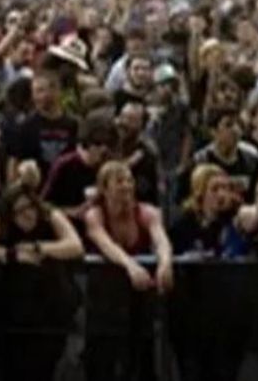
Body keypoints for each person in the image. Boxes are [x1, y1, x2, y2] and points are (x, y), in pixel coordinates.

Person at [0, 181, 84, 381]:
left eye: (29, 207)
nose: (27, 214)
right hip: (11, 310)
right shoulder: (1, 222)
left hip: (49, 307)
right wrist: (10, 254)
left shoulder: (50, 215)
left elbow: (75, 245)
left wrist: (40, 248)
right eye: (19, 210)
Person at [84, 160, 173, 381]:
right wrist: (130, 266)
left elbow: (161, 240)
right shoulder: (95, 215)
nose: (126, 186)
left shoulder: (147, 212)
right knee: (102, 359)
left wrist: (165, 263)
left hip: (139, 301)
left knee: (142, 357)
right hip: (105, 301)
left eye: (129, 180)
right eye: (119, 181)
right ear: (104, 188)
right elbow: (105, 244)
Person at [187, 106, 258, 205]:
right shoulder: (200, 161)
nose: (236, 129)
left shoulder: (253, 160)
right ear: (213, 131)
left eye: (239, 124)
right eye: (228, 125)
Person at [42, 112, 117, 217]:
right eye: (98, 143)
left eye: (109, 144)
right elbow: (44, 204)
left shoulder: (110, 166)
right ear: (87, 142)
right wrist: (72, 212)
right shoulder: (65, 165)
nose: (104, 149)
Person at [7, 73, 79, 180]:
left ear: (56, 91)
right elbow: (15, 162)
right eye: (35, 92)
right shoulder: (25, 126)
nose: (37, 97)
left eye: (41, 90)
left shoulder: (73, 124)